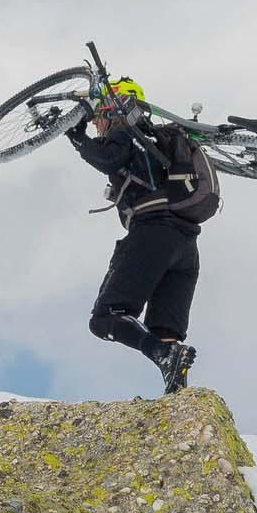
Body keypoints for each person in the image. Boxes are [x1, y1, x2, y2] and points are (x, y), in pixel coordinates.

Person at [65, 77, 199, 394]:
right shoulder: (164, 138)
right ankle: (178, 395)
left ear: (114, 107)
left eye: (100, 114)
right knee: (164, 331)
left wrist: (76, 136)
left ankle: (165, 356)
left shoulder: (127, 130)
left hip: (153, 232)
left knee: (105, 318)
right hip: (186, 245)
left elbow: (108, 158)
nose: (97, 121)